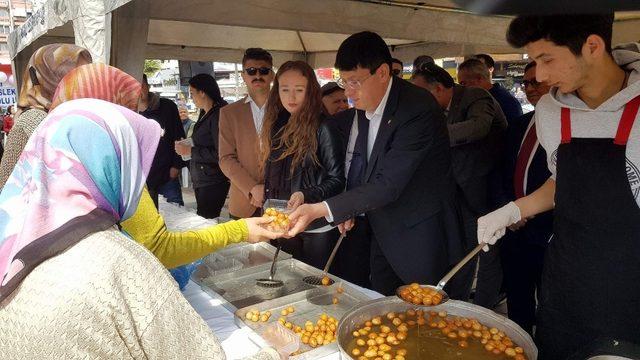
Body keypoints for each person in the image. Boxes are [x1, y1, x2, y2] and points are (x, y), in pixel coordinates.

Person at [0, 98, 283, 360]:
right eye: (133, 162)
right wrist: (273, 352)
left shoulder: (11, 237)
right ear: (112, 167)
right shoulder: (118, 262)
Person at [478, 14, 640, 358]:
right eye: (534, 61)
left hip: (631, 285)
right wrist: (513, 209)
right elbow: (563, 180)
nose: (540, 75)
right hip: (568, 280)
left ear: (592, 47)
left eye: (547, 59)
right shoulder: (551, 110)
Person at [37, 62, 283, 271]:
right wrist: (238, 230)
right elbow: (159, 247)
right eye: (126, 109)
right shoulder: (111, 163)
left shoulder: (49, 144)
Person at [287, 31, 464, 296]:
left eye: (354, 82)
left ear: (382, 72)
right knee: (383, 303)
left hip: (419, 233)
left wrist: (322, 209)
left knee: (423, 316)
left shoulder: (417, 108)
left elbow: (388, 184)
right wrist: (348, 207)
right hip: (382, 230)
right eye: (343, 82)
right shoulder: (367, 107)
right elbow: (364, 166)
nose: (348, 92)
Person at [411, 63, 507, 303]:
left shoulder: (476, 96)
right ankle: (457, 303)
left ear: (441, 88)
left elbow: (478, 127)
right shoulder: (438, 111)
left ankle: (484, 307)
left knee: (487, 250)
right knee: (463, 251)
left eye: (423, 94)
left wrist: (433, 133)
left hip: (488, 190)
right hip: (459, 190)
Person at [260, 61, 345, 269]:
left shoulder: (323, 126)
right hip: (284, 222)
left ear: (311, 91)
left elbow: (337, 179)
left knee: (315, 285)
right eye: (284, 89)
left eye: (299, 90)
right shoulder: (277, 124)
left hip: (316, 226)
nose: (291, 97)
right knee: (289, 280)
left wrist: (305, 194)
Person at [497, 60, 552, 335]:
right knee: (518, 301)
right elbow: (502, 171)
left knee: (551, 304)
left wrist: (530, 210)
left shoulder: (570, 129)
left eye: (537, 82)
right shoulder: (518, 125)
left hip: (549, 233)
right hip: (514, 230)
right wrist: (509, 209)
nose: (530, 89)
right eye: (526, 83)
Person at [0, 44, 92, 191]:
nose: (84, 82)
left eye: (86, 74)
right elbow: (5, 185)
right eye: (74, 75)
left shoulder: (66, 115)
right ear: (47, 77)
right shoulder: (34, 120)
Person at [219, 48, 274, 219]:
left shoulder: (286, 109)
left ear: (272, 75)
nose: (257, 75)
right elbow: (226, 158)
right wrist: (252, 187)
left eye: (263, 70)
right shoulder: (229, 113)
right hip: (243, 201)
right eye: (251, 71)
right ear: (243, 75)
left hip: (280, 201)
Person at [175, 74, 229, 219]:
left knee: (207, 220)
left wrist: (190, 151)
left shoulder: (218, 114)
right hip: (203, 177)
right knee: (205, 219)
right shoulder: (205, 113)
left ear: (202, 92)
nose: (191, 98)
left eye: (192, 93)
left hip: (213, 179)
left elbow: (222, 152)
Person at [139, 74, 186, 207]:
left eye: (141, 86)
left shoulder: (166, 106)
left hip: (167, 175)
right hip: (142, 179)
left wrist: (176, 166)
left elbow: (179, 137)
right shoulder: (129, 110)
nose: (138, 90)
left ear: (147, 87)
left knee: (176, 216)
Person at [458, 58, 524, 124]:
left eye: (463, 83)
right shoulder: (481, 98)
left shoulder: (505, 101)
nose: (462, 89)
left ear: (479, 78)